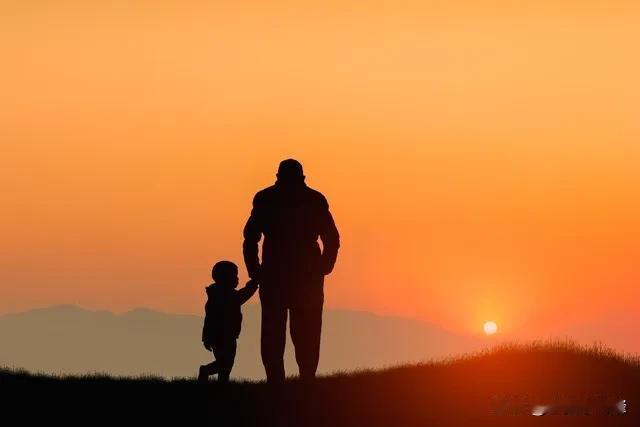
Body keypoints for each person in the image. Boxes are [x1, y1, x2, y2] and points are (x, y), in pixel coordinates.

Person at [243, 159, 340, 383]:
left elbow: (250, 238)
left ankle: (287, 381)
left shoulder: (268, 198)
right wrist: (325, 266)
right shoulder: (313, 199)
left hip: (285, 274)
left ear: (278, 176)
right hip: (298, 275)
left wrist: (255, 270)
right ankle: (301, 380)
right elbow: (331, 238)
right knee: (300, 332)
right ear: (302, 177)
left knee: (280, 332)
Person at [199, 261, 258, 383]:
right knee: (226, 363)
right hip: (226, 336)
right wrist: (253, 285)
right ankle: (206, 371)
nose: (237, 279)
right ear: (226, 278)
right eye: (234, 276)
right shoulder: (227, 296)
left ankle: (222, 386)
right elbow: (243, 295)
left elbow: (208, 320)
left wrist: (206, 337)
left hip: (219, 336)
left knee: (225, 364)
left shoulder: (216, 295)